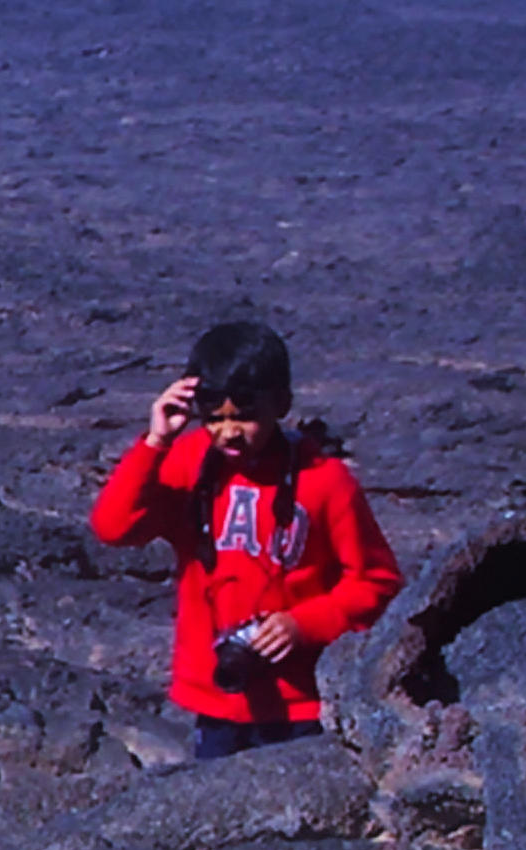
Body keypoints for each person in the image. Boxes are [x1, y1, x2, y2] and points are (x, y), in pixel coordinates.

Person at [91, 321, 404, 756]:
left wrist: (304, 624)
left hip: (301, 704)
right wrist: (157, 440)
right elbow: (113, 527)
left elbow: (378, 583)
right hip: (217, 697)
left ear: (281, 404)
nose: (229, 431)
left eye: (245, 416)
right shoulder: (189, 463)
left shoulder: (326, 482)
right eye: (214, 419)